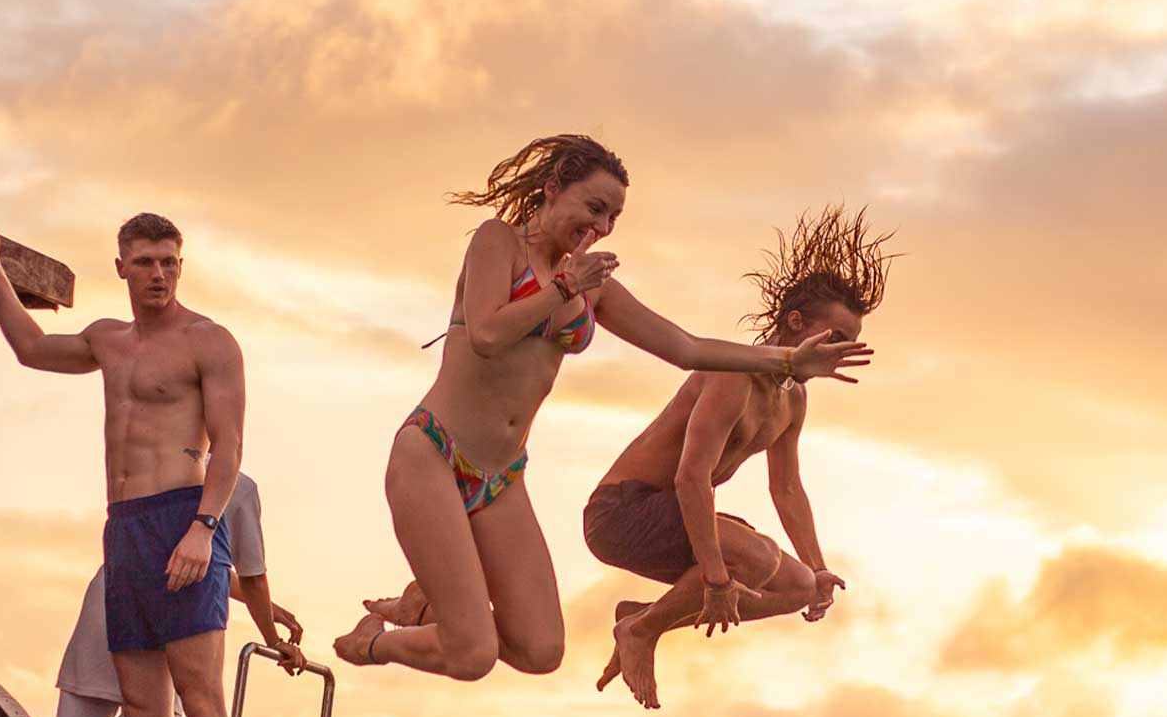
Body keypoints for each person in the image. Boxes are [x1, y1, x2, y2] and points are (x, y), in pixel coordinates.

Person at [336, 134, 872, 681]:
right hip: (433, 452)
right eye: (595, 208)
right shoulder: (499, 243)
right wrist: (565, 285)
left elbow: (684, 347)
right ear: (551, 190)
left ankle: (424, 607)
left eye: (614, 216)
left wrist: (787, 360)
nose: (603, 226)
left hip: (501, 477)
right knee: (472, 655)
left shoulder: (594, 287)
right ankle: (376, 642)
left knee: (541, 651)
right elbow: (488, 335)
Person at [0, 211, 246, 717]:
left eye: (170, 262)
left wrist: (204, 528)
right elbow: (32, 349)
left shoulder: (210, 341)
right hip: (124, 530)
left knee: (200, 697)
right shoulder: (107, 340)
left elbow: (229, 447)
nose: (159, 274)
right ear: (121, 265)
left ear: (182, 266)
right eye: (146, 262)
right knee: (145, 707)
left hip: (183, 518)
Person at [586, 207, 891, 708]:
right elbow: (690, 479)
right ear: (796, 325)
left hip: (679, 515)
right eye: (834, 340)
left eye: (848, 346)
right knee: (755, 556)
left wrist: (818, 569)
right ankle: (643, 631)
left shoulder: (792, 398)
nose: (838, 354)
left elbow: (787, 488)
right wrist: (716, 578)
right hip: (620, 513)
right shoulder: (733, 377)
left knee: (795, 588)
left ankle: (643, 616)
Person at [45, 469, 304, 717]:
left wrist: (267, 609)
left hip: (112, 594)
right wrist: (272, 638)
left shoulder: (153, 472)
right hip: (177, 613)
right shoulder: (240, 486)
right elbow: (250, 577)